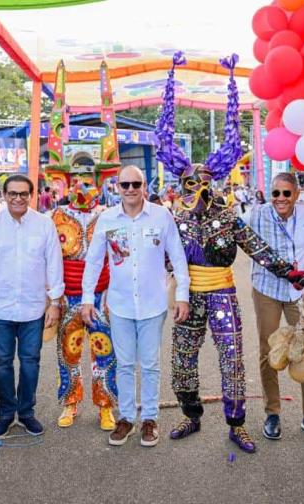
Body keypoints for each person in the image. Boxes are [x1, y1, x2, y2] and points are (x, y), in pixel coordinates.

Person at [155, 53, 304, 453]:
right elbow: (154, 257)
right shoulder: (174, 218)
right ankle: (191, 415)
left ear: (217, 181)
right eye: (193, 183)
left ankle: (237, 424)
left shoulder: (228, 217)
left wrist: (290, 272)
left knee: (232, 360)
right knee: (182, 362)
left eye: (206, 181)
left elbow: (258, 249)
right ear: (183, 183)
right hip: (188, 299)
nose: (200, 189)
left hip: (223, 294)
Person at [80, 164, 189, 447]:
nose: (130, 190)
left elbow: (178, 257)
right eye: (124, 185)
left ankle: (150, 419)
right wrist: (87, 299)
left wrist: (182, 296)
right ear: (116, 187)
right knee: (125, 364)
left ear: (145, 187)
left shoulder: (162, 216)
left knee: (150, 364)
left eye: (135, 185)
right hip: (120, 305)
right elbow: (93, 261)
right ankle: (126, 417)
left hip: (153, 304)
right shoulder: (106, 219)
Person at [247, 172, 304, 444]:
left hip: (299, 292)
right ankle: (272, 412)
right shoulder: (257, 214)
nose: (280, 199)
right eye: (275, 193)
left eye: (286, 193)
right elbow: (234, 231)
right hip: (266, 289)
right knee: (269, 350)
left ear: (296, 194)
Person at [0, 173, 64, 437]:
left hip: (33, 309)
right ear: (4, 195)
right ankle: (5, 413)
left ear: (31, 196)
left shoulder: (44, 225)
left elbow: (54, 265)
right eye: (13, 193)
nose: (18, 198)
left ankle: (26, 413)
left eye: (24, 194)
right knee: (1, 363)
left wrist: (55, 302)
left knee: (30, 362)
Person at [50, 177, 117, 431]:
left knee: (106, 351)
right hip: (69, 295)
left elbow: (118, 253)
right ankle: (70, 402)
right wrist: (54, 298)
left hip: (102, 294)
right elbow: (50, 257)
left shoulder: (109, 215)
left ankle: (106, 405)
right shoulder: (56, 215)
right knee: (68, 351)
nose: (84, 192)